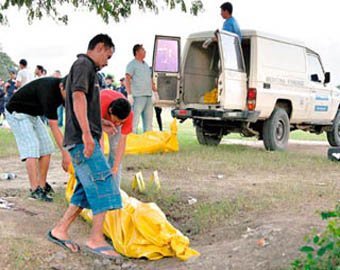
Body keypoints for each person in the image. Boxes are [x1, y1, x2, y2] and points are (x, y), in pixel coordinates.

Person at [49, 34, 121, 258]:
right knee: (104, 184)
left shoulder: (88, 69)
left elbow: (85, 106)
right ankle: (95, 238)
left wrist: (100, 123)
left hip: (83, 138)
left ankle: (60, 230)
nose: (107, 62)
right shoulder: (83, 65)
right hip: (82, 141)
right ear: (100, 48)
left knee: (84, 192)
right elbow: (78, 98)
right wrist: (88, 136)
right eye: (107, 56)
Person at [5, 76, 70, 201]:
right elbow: (54, 126)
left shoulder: (66, 92)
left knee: (47, 148)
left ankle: (42, 185)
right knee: (32, 147)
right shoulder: (49, 92)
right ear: (62, 87)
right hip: (17, 112)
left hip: (33, 115)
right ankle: (35, 190)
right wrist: (65, 154)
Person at [100, 89, 132, 185]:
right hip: (95, 117)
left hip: (109, 116)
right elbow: (97, 135)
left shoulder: (128, 115)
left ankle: (114, 187)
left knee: (115, 149)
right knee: (97, 152)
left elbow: (121, 143)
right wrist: (103, 127)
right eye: (117, 120)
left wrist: (115, 167)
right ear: (110, 111)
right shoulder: (100, 103)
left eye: (121, 122)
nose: (118, 124)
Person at [126, 44, 157, 133]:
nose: (145, 51)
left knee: (148, 122)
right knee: (134, 120)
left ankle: (147, 140)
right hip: (138, 96)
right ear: (137, 52)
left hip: (148, 96)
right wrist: (129, 94)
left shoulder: (146, 65)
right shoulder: (132, 64)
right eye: (143, 50)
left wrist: (155, 92)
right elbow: (127, 79)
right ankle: (131, 139)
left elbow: (150, 79)